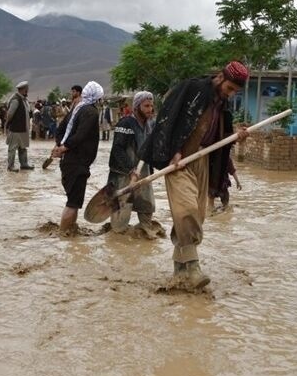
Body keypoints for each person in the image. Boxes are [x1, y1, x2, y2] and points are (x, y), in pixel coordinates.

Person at [139, 61, 250, 289]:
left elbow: (220, 139)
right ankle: (193, 266)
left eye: (235, 92)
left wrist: (236, 136)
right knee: (186, 210)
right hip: (179, 161)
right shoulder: (193, 89)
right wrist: (174, 150)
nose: (230, 94)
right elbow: (168, 117)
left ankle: (180, 272)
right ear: (220, 77)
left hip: (203, 163)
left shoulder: (223, 106)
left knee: (196, 216)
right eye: (229, 89)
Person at [106, 91, 164, 239]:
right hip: (123, 174)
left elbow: (153, 149)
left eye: (151, 106)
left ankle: (144, 233)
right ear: (137, 107)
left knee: (147, 207)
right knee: (120, 219)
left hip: (143, 172)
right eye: (146, 106)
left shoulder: (150, 124)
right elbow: (117, 150)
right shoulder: (125, 123)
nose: (150, 109)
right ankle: (117, 237)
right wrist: (130, 170)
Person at [51, 81, 103, 233]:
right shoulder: (91, 112)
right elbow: (81, 135)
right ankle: (63, 235)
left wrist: (61, 146)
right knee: (73, 203)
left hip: (68, 162)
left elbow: (60, 130)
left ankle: (70, 232)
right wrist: (64, 148)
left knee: (73, 201)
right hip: (77, 163)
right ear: (97, 98)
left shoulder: (76, 109)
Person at [5, 81, 34, 172]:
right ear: (22, 90)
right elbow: (9, 115)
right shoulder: (16, 100)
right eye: (26, 90)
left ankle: (24, 164)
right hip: (16, 129)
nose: (27, 91)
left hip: (23, 129)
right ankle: (10, 166)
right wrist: (7, 125)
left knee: (23, 147)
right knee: (12, 148)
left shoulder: (23, 100)